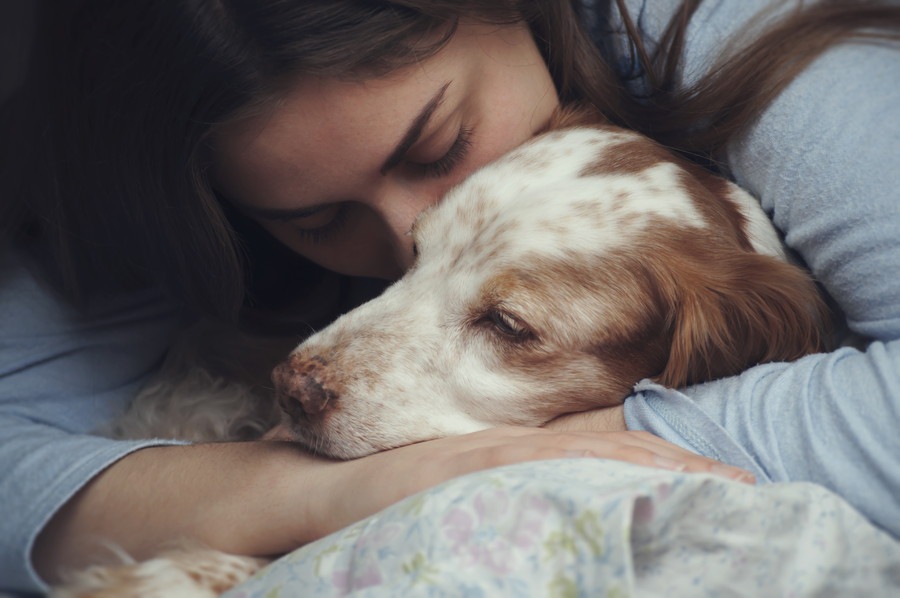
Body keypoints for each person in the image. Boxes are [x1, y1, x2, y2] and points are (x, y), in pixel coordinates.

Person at [0, 0, 897, 594]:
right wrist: (308, 494)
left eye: (437, 151)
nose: (398, 248)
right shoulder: (162, 190)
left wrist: (572, 447)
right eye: (315, 219)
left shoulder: (727, 32)